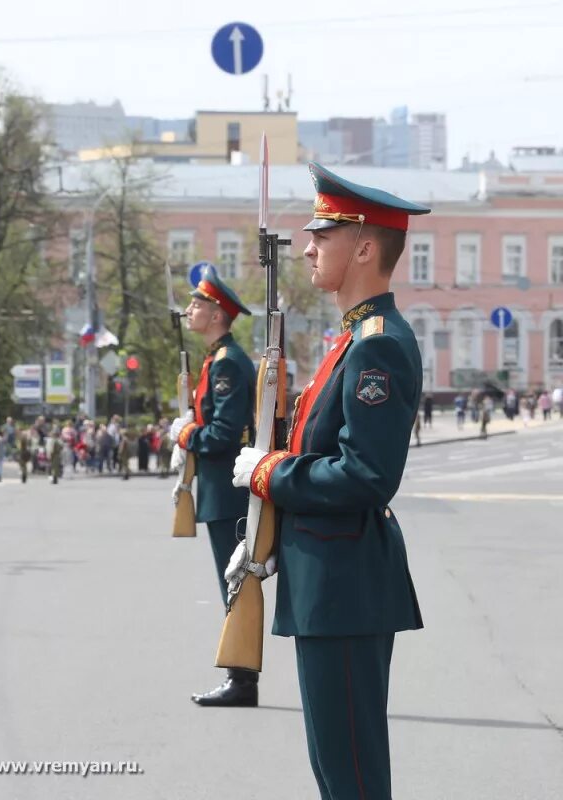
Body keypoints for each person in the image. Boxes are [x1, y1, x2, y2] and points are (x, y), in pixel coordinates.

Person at [232, 162, 427, 800]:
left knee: (352, 776)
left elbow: (366, 477)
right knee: (336, 768)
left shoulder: (377, 345)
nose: (308, 247)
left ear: (365, 247)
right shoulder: (351, 340)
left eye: (324, 234)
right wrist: (264, 531)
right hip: (327, 581)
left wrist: (269, 473)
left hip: (345, 586)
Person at [169, 266, 259, 707]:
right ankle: (239, 677)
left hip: (228, 492)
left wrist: (186, 435)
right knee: (233, 582)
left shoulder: (227, 364)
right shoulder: (217, 360)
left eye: (197, 304)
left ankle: (242, 681)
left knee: (236, 583)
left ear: (218, 313)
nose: (189, 310)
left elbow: (223, 432)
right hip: (222, 491)